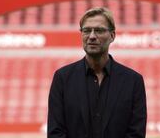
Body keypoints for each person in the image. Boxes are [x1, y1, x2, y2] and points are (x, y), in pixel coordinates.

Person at [47, 7, 147, 138]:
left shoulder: (133, 81)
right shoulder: (62, 78)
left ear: (112, 36)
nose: (92, 36)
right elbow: (55, 132)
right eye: (87, 30)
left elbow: (136, 134)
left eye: (99, 30)